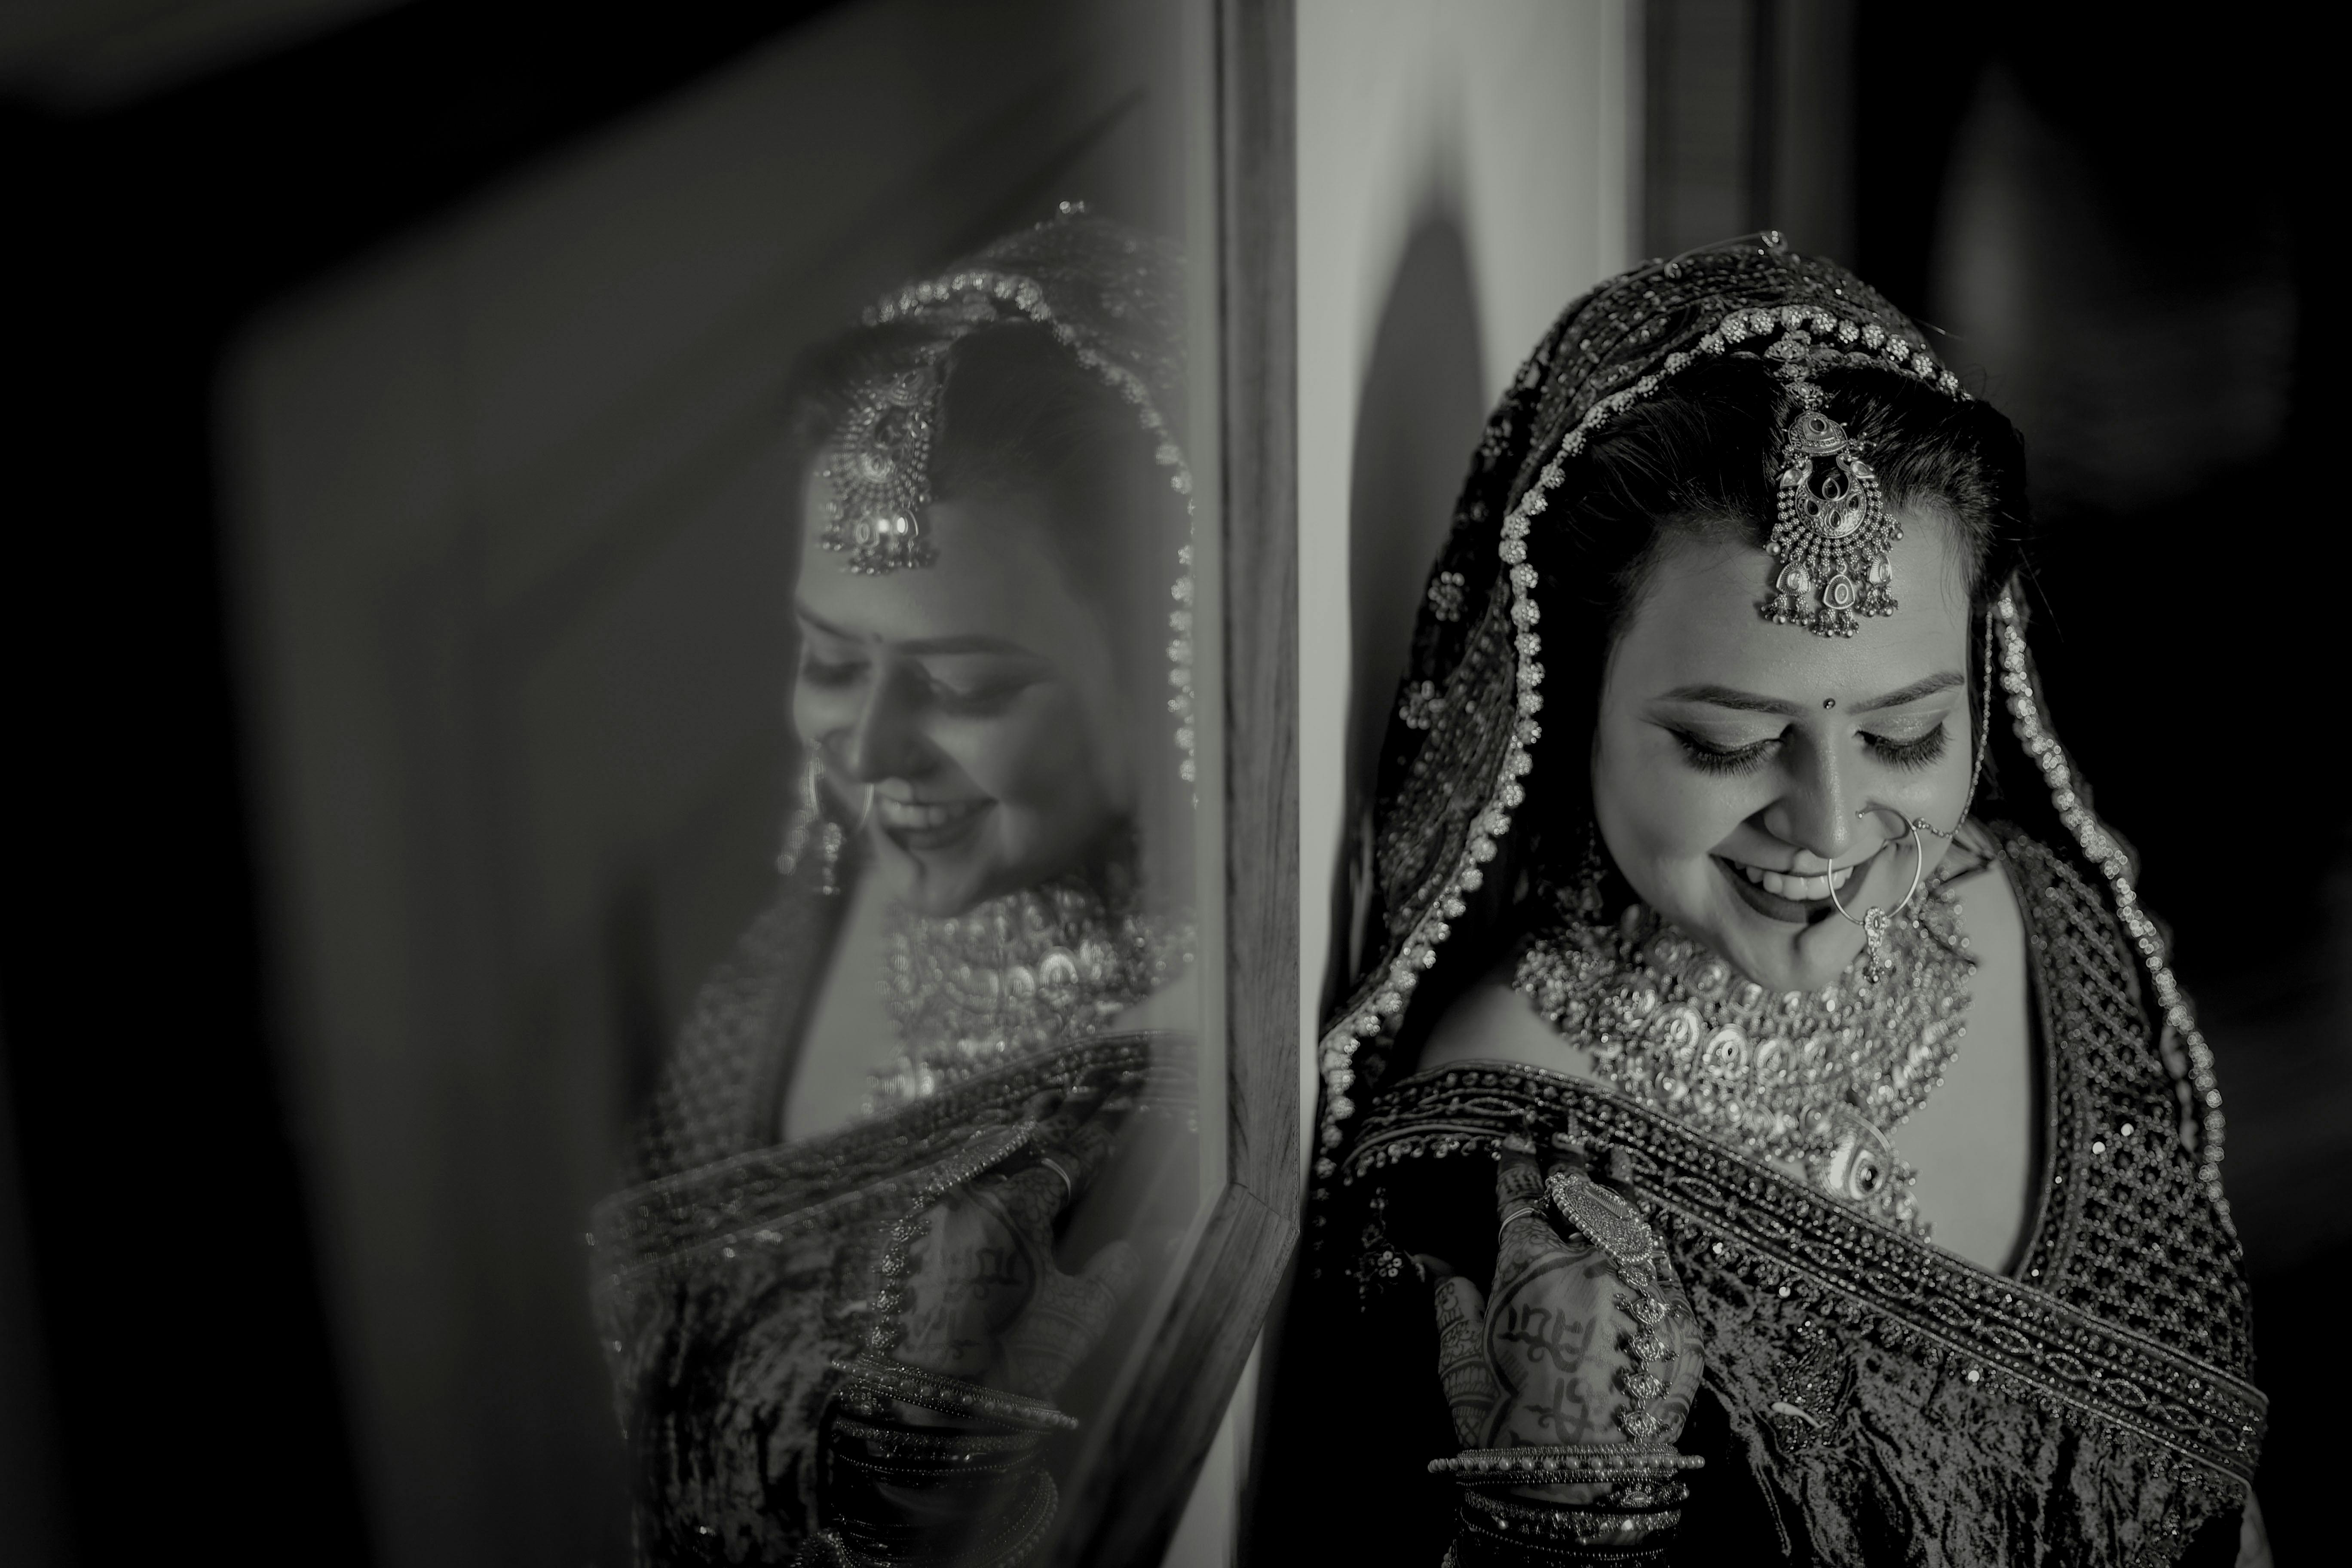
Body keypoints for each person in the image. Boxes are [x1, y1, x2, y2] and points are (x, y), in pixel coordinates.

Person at [1264, 236, 2267, 1566]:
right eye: (1731, 747)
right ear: (1564, 712)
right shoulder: (1513, 1182)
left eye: (1906, 738)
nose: (1834, 827)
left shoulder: (2054, 926)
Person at [588, 211, 1200, 1566]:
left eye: (968, 686)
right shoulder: (805, 922)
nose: (866, 754)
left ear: (1167, 671)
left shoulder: (1182, 1087)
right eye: (828, 657)